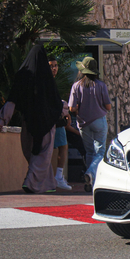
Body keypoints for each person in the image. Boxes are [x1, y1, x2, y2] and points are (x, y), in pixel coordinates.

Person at [0, 45, 68, 194]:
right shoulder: (46, 78)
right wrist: (61, 113)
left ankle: (48, 184)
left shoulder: (23, 75)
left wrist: (3, 119)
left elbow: (13, 99)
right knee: (42, 155)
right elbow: (55, 102)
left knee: (38, 155)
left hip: (28, 122)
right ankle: (30, 182)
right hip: (46, 124)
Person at [68, 57, 111, 192]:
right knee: (101, 151)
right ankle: (91, 172)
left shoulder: (76, 86)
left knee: (89, 152)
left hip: (83, 122)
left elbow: (71, 109)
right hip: (99, 120)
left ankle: (91, 179)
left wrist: (80, 107)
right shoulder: (101, 85)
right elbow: (108, 107)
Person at [48, 56, 72, 190]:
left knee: (61, 146)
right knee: (60, 146)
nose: (54, 68)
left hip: (55, 119)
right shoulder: (47, 82)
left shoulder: (52, 81)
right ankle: (56, 177)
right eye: (51, 65)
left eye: (55, 65)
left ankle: (57, 176)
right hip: (53, 120)